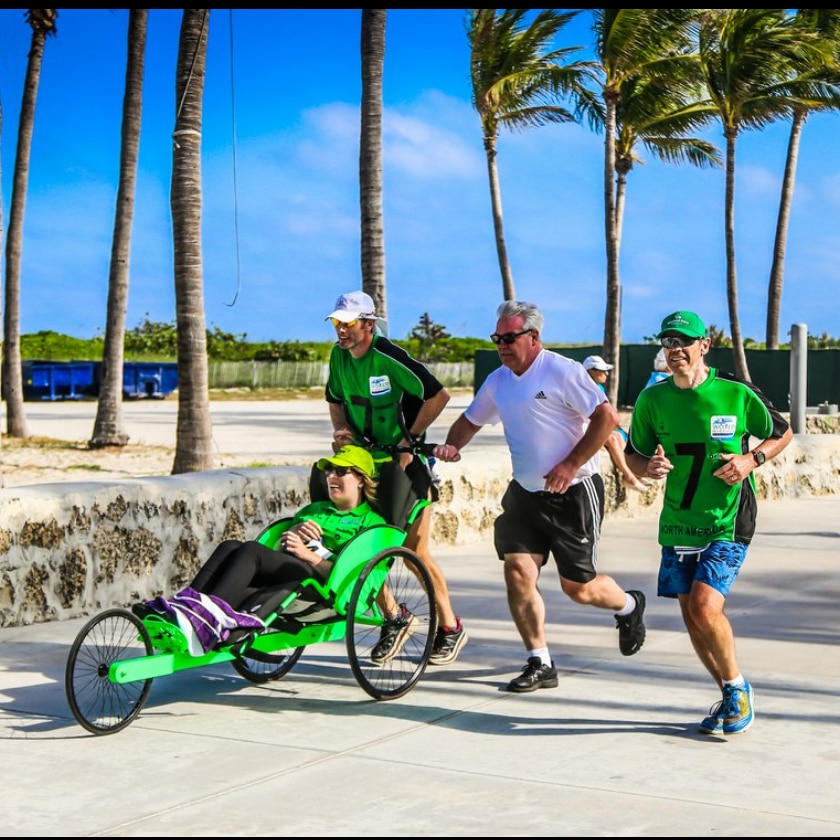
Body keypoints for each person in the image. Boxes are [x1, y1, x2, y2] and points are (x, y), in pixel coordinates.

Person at [433, 301, 646, 692]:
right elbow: (469, 421)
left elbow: (607, 419)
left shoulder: (563, 372)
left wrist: (569, 464)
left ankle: (629, 606)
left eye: (509, 337)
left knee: (578, 588)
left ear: (533, 337)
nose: (502, 345)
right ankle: (540, 661)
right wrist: (451, 447)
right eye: (497, 338)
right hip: (525, 495)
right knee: (517, 571)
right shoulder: (498, 381)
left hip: (575, 493)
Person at [624, 310, 793, 735]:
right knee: (693, 616)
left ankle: (737, 688)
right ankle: (730, 693)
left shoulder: (735, 392)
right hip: (679, 521)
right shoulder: (652, 399)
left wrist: (750, 460)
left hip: (728, 518)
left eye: (684, 341)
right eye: (668, 342)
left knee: (704, 606)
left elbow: (781, 432)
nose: (675, 349)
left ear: (704, 345)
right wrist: (650, 465)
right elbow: (633, 456)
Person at [324, 290, 467, 666]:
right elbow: (334, 399)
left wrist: (410, 438)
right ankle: (395, 618)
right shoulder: (338, 357)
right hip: (366, 465)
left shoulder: (389, 356)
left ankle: (450, 627)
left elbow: (439, 395)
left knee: (415, 553)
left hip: (406, 465)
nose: (341, 330)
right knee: (362, 545)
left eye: (348, 324)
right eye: (337, 323)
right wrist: (342, 432)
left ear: (368, 325)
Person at [134, 445, 389, 655]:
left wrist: (308, 553)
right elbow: (278, 545)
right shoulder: (315, 510)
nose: (331, 476)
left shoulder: (371, 525)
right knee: (231, 546)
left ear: (360, 479)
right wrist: (294, 534)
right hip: (287, 567)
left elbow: (354, 580)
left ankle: (207, 621)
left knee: (251, 552)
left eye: (341, 471)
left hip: (319, 582)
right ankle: (181, 610)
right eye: (330, 470)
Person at [582, 354, 650, 493]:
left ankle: (632, 474)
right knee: (613, 438)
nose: (606, 373)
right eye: (602, 370)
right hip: (586, 429)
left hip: (596, 427)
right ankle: (629, 476)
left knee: (618, 437)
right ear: (591, 371)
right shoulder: (582, 389)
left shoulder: (599, 388)